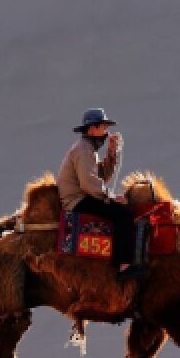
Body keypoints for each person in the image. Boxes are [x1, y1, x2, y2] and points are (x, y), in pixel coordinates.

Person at [56, 108, 143, 279]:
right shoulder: (83, 150)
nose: (106, 132)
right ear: (92, 129)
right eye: (103, 127)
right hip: (77, 200)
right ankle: (123, 265)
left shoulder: (88, 149)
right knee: (123, 215)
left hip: (83, 196)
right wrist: (111, 197)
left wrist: (112, 152)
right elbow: (89, 184)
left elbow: (102, 176)